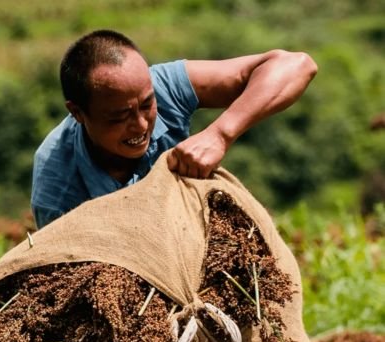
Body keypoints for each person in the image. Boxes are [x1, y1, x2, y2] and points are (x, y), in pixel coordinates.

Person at [31, 30, 317, 229]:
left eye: (147, 105)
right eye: (119, 117)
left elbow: (297, 65)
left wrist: (220, 134)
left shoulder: (163, 85)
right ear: (78, 113)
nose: (141, 124)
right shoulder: (58, 193)